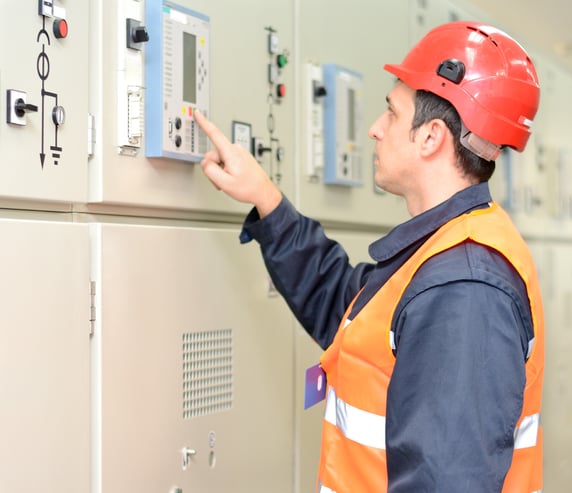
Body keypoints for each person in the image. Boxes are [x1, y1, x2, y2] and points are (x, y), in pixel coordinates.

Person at [194, 20, 545, 493]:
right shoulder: (443, 251)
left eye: (392, 113)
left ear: (431, 137)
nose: (376, 130)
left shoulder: (465, 288)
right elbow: (354, 315)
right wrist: (268, 201)